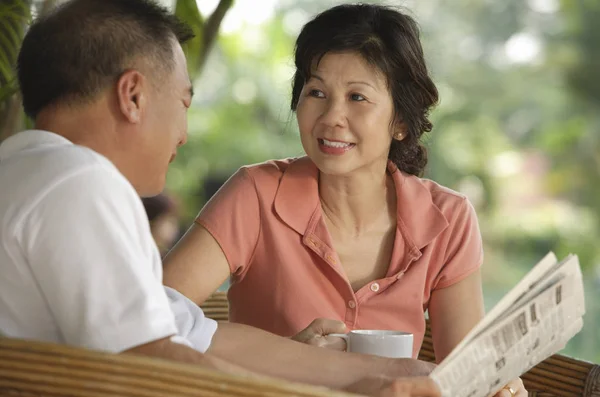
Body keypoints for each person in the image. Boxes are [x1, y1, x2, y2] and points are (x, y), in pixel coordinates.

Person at [0, 0, 441, 396]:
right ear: (132, 96)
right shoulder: (81, 184)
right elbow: (152, 363)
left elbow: (201, 335)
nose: (183, 134)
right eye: (183, 103)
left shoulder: (24, 168)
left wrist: (405, 373)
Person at [161, 4, 526, 397]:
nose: (332, 116)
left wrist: (496, 386)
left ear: (401, 120)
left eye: (357, 97)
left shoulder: (448, 220)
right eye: (316, 92)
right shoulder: (255, 194)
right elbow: (147, 322)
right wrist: (287, 360)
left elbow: (463, 372)